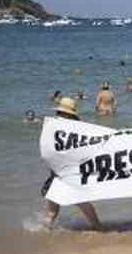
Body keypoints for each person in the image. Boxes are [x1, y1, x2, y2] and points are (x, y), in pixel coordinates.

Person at [42, 98, 103, 231]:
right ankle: (98, 228)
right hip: (70, 173)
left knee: (52, 211)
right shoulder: (77, 129)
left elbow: (47, 150)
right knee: (83, 203)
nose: (59, 115)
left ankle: (43, 234)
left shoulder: (51, 127)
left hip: (56, 172)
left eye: (60, 113)